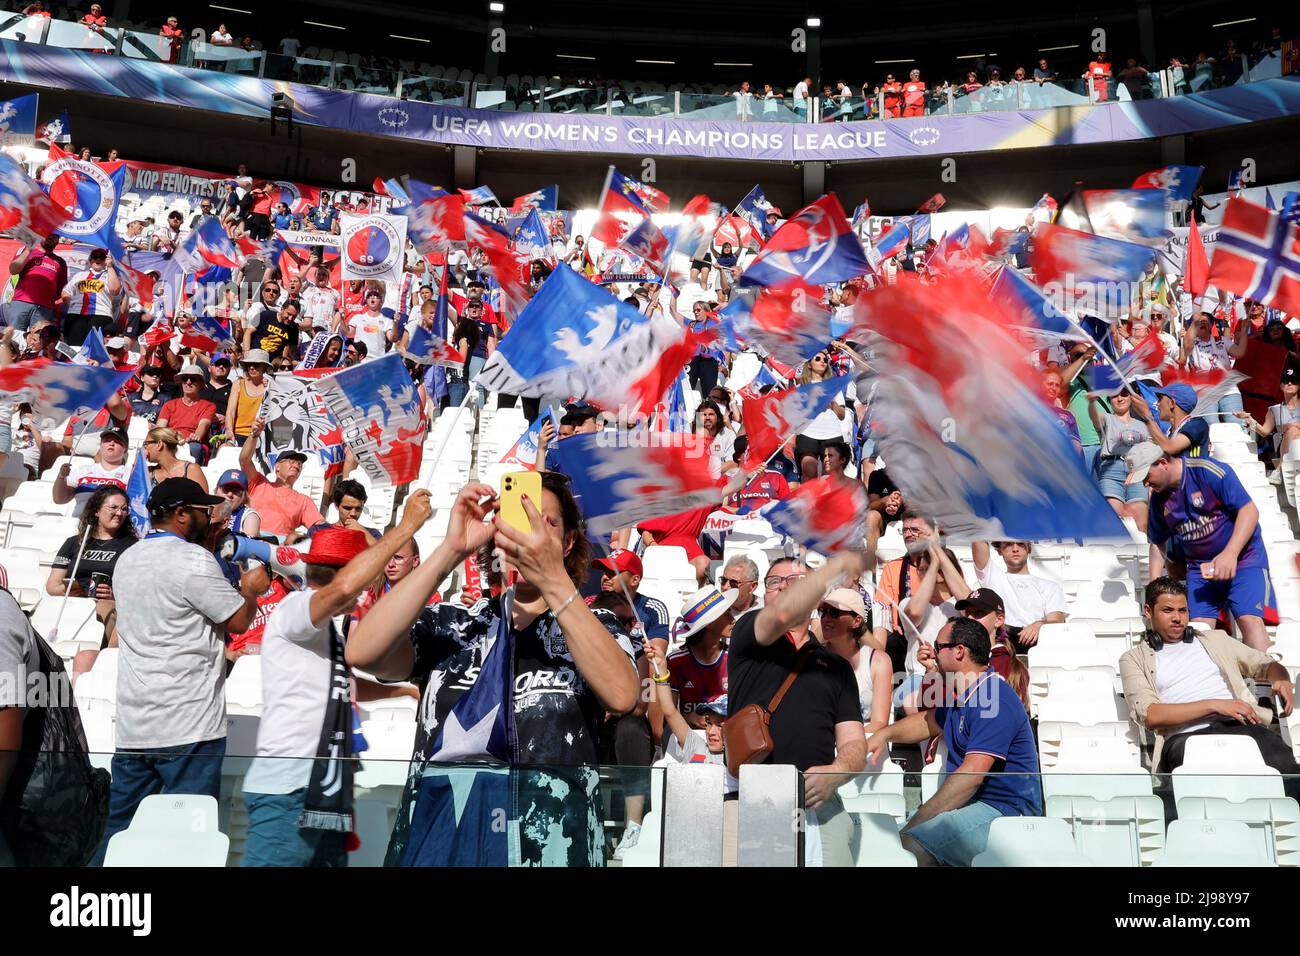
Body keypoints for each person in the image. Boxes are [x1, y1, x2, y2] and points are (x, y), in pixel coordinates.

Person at [346, 474, 639, 867]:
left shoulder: (596, 622)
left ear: (569, 542)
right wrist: (450, 550)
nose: (530, 532)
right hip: (442, 836)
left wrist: (553, 579)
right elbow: (363, 651)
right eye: (519, 518)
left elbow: (621, 694)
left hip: (549, 844)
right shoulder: (455, 624)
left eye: (547, 523)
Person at [242, 492, 433, 867]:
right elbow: (345, 589)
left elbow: (343, 688)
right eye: (363, 577)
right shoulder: (296, 609)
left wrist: (402, 690)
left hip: (324, 791)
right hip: (290, 790)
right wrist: (407, 526)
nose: (364, 588)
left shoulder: (327, 631)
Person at [91, 477, 266, 865]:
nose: (210, 516)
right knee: (187, 841)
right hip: (189, 728)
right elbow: (238, 621)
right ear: (182, 514)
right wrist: (252, 589)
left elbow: (174, 595)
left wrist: (204, 547)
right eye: (203, 510)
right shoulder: (193, 561)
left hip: (136, 724)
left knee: (119, 834)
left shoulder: (128, 558)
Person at [728, 552, 868, 866]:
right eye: (774, 582)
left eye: (794, 582)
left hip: (815, 801)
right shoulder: (748, 634)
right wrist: (836, 566)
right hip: (752, 795)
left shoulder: (836, 666)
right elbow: (780, 616)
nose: (782, 588)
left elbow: (854, 744)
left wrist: (836, 772)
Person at [866, 617, 1042, 866]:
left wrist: (917, 821)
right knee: (892, 842)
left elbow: (971, 776)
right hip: (977, 807)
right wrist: (884, 734)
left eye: (939, 647)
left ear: (959, 651)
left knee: (907, 847)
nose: (933, 653)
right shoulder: (966, 694)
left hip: (1008, 813)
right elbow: (926, 721)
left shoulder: (993, 699)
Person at [1120, 577, 1297, 780]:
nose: (1177, 618)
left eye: (1183, 610)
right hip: (1185, 737)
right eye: (1168, 610)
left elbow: (1265, 664)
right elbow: (1151, 715)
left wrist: (1280, 677)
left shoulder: (1215, 639)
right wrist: (1215, 705)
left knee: (1283, 765)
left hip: (1239, 727)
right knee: (1205, 778)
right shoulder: (1133, 659)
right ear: (1148, 612)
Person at [1126, 441, 1275, 651]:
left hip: (1243, 559)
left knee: (1249, 619)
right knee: (1198, 632)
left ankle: (1267, 682)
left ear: (1162, 463)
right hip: (1199, 569)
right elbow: (1158, 543)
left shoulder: (1207, 471)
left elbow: (1249, 511)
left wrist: (1230, 554)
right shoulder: (1159, 501)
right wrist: (1155, 586)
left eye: (1146, 477)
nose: (1146, 484)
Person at [45, 485, 137, 651]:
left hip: (108, 604)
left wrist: (114, 595)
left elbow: (137, 588)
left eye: (124, 509)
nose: (119, 513)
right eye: (113, 507)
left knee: (102, 609)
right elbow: (52, 584)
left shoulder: (132, 546)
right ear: (96, 511)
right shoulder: (74, 542)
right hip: (73, 600)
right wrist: (69, 589)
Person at [971, 540, 1067, 652]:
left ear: (1029, 548)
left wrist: (1040, 625)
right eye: (1008, 544)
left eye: (1021, 544)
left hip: (1038, 645)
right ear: (999, 550)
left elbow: (1056, 623)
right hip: (1003, 642)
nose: (1015, 549)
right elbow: (978, 538)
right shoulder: (993, 578)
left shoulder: (1051, 586)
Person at [239, 421, 324, 543]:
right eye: (291, 461)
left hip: (279, 547)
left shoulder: (304, 501)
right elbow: (244, 460)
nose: (296, 465)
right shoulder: (259, 483)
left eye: (299, 464)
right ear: (277, 466)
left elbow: (319, 525)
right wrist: (254, 435)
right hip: (250, 537)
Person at [820, 588, 892, 732]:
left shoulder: (878, 661)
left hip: (864, 742)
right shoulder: (812, 658)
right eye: (823, 612)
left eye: (834, 613)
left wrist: (848, 739)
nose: (826, 618)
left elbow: (879, 722)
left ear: (857, 621)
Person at [1087, 387, 1151, 531]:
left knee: (1141, 522)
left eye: (1124, 394)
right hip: (1111, 469)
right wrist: (1091, 404)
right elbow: (1095, 418)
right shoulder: (1107, 418)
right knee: (1113, 521)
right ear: (1109, 400)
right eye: (1115, 396)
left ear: (1131, 398)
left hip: (1137, 472)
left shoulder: (1142, 424)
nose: (1120, 398)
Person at [667, 585, 733, 720]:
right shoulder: (675, 661)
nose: (733, 619)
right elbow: (667, 717)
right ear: (710, 623)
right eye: (726, 614)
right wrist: (688, 718)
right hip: (688, 737)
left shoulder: (734, 657)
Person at [593, 549, 670, 652]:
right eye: (604, 571)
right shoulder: (587, 604)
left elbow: (656, 658)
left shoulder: (653, 609)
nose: (604, 577)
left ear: (634, 580)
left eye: (612, 572)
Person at [1181, 312, 1248, 424]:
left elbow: (1239, 352)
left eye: (1205, 321)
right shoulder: (1193, 344)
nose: (1202, 323)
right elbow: (1187, 346)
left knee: (1237, 426)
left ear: (1211, 326)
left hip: (1229, 389)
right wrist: (1193, 322)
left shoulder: (1221, 340)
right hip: (1205, 391)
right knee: (1211, 427)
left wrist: (1245, 332)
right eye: (1199, 322)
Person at [794, 351, 849, 481]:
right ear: (809, 365)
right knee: (809, 471)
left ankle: (828, 501)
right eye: (817, 358)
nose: (822, 361)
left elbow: (842, 415)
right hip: (808, 432)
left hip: (832, 434)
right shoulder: (801, 387)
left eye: (825, 359)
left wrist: (831, 403)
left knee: (830, 476)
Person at [52, 426, 129, 517]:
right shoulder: (82, 471)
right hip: (78, 524)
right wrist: (61, 477)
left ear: (125, 449)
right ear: (100, 445)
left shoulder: (129, 475)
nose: (111, 443)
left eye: (117, 441)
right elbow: (59, 499)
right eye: (107, 440)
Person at [1129, 381, 1209, 459]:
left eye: (1160, 399)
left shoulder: (1197, 424)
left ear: (1172, 403)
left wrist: (1147, 415)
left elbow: (1170, 448)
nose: (1157, 403)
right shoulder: (1169, 432)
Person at [4, 235, 66, 333]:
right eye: (47, 233)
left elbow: (62, 289)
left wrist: (47, 299)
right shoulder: (26, 251)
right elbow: (13, 269)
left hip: (45, 308)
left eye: (54, 236)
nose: (50, 237)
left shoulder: (61, 262)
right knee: (14, 338)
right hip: (21, 302)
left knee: (38, 341)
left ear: (58, 240)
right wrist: (29, 250)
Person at [157, 364, 216, 464]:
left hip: (191, 442)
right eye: (185, 379)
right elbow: (160, 428)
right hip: (171, 440)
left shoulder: (208, 406)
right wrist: (173, 438)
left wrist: (194, 437)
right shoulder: (169, 405)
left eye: (193, 379)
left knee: (194, 447)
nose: (188, 382)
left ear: (201, 384)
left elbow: (203, 425)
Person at [62, 247, 120, 348]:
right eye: (95, 257)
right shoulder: (80, 275)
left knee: (93, 347)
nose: (98, 259)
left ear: (106, 260)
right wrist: (71, 305)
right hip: (76, 314)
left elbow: (115, 290)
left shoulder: (109, 275)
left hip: (101, 314)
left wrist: (110, 267)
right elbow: (65, 292)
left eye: (101, 257)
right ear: (90, 260)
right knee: (74, 346)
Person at [1237, 366, 1300, 459]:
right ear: (1281, 386)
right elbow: (1264, 432)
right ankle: (1282, 466)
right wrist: (1248, 418)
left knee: (1294, 430)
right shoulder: (1274, 410)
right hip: (1285, 448)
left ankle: (1280, 469)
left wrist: (1295, 425)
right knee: (1291, 431)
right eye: (1286, 381)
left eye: (1293, 381)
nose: (1289, 383)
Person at [225, 348, 271, 445]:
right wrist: (229, 431)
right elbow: (230, 412)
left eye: (256, 364)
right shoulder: (238, 384)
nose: (251, 368)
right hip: (238, 434)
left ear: (265, 367)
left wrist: (269, 387)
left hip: (262, 436)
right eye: (249, 364)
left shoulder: (271, 386)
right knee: (224, 450)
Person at [143, 425, 208, 489]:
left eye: (146, 443)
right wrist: (140, 460)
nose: (144, 447)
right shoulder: (149, 472)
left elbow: (204, 499)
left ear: (159, 444)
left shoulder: (191, 469)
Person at [215, 469, 261, 539]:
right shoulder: (206, 508)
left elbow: (248, 545)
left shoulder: (249, 515)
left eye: (236, 491)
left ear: (244, 497)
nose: (230, 494)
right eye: (226, 488)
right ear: (217, 489)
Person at [719, 555, 761, 620]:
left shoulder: (766, 613)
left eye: (733, 583)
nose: (725, 587)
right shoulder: (713, 610)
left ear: (752, 587)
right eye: (723, 580)